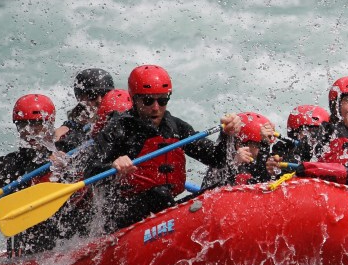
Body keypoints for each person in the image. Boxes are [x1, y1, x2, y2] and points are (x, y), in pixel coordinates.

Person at [83, 64, 242, 232]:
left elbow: (217, 159)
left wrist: (227, 135)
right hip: (124, 214)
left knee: (219, 189)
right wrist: (113, 165)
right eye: (148, 100)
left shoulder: (176, 127)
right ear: (134, 98)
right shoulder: (119, 128)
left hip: (164, 208)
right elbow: (90, 171)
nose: (156, 107)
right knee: (159, 194)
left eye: (162, 100)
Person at [0, 94, 65, 254]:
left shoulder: (65, 156)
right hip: (22, 253)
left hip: (64, 243)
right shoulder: (5, 165)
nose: (31, 131)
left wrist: (64, 165)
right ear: (17, 128)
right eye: (24, 125)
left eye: (38, 124)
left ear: (50, 125)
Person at [201, 111, 276, 189]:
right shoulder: (220, 160)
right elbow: (210, 188)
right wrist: (235, 164)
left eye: (263, 146)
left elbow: (262, 183)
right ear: (239, 144)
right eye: (257, 145)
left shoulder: (262, 163)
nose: (260, 151)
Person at [55, 68, 115, 151]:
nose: (100, 100)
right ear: (80, 99)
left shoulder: (120, 119)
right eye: (92, 95)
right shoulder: (65, 132)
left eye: (104, 94)